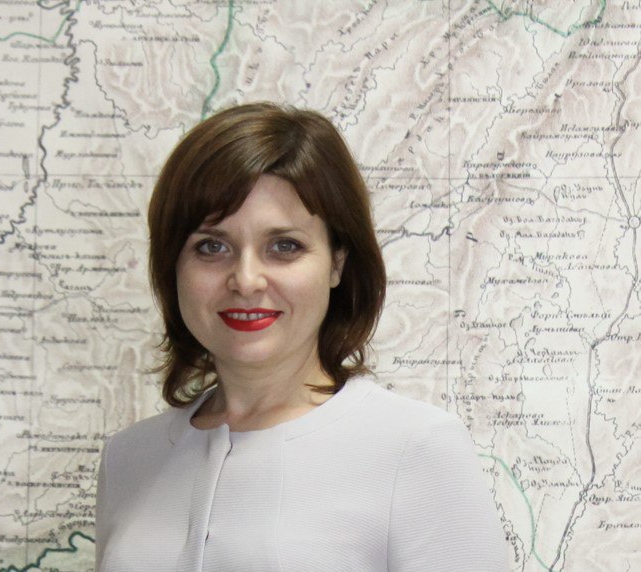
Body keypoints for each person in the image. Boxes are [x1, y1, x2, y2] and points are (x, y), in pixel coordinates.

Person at [95, 102, 508, 571]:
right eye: (211, 246)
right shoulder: (128, 460)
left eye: (284, 246)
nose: (246, 280)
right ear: (173, 267)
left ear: (337, 263)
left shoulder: (417, 450)